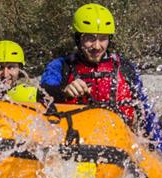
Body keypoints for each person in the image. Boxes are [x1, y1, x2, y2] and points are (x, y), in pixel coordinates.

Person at [40, 3, 162, 149]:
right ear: (78, 39)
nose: (97, 46)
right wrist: (63, 92)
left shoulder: (125, 68)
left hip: (121, 146)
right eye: (90, 38)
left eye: (103, 38)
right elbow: (42, 94)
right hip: (76, 144)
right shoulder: (61, 66)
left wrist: (158, 149)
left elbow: (144, 111)